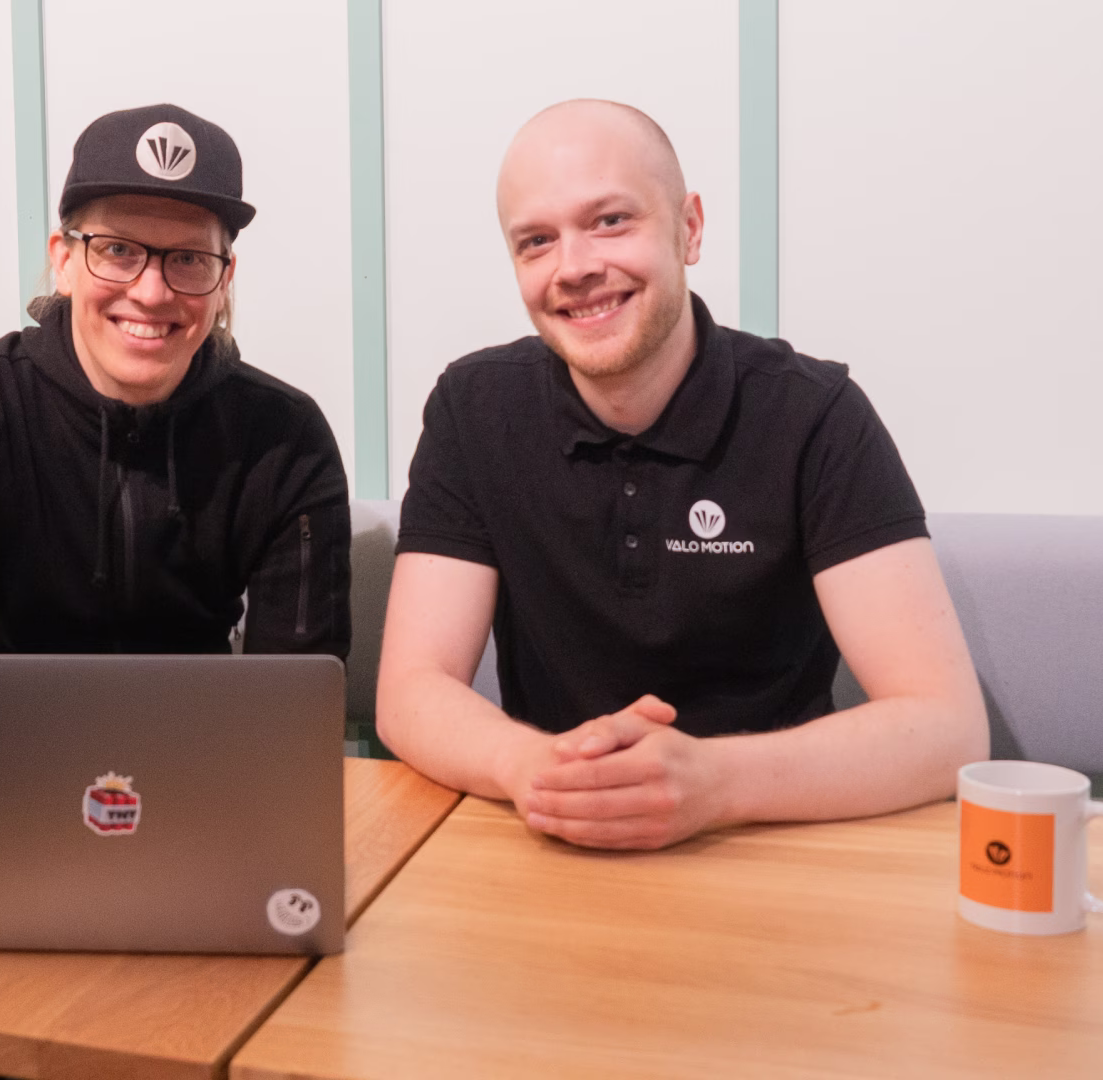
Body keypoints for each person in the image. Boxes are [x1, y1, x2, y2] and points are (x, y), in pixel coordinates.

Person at [376, 100, 987, 850]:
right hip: (553, 841)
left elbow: (945, 726)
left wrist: (712, 783)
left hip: (777, 843)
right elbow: (410, 690)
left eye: (609, 221)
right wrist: (532, 767)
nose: (575, 268)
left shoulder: (815, 414)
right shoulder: (473, 409)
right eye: (537, 241)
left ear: (688, 228)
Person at [0, 103, 350, 767]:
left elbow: (296, 702)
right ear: (64, 260)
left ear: (224, 279)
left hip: (201, 793)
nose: (150, 292)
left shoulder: (284, 440)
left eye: (187, 259)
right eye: (118, 251)